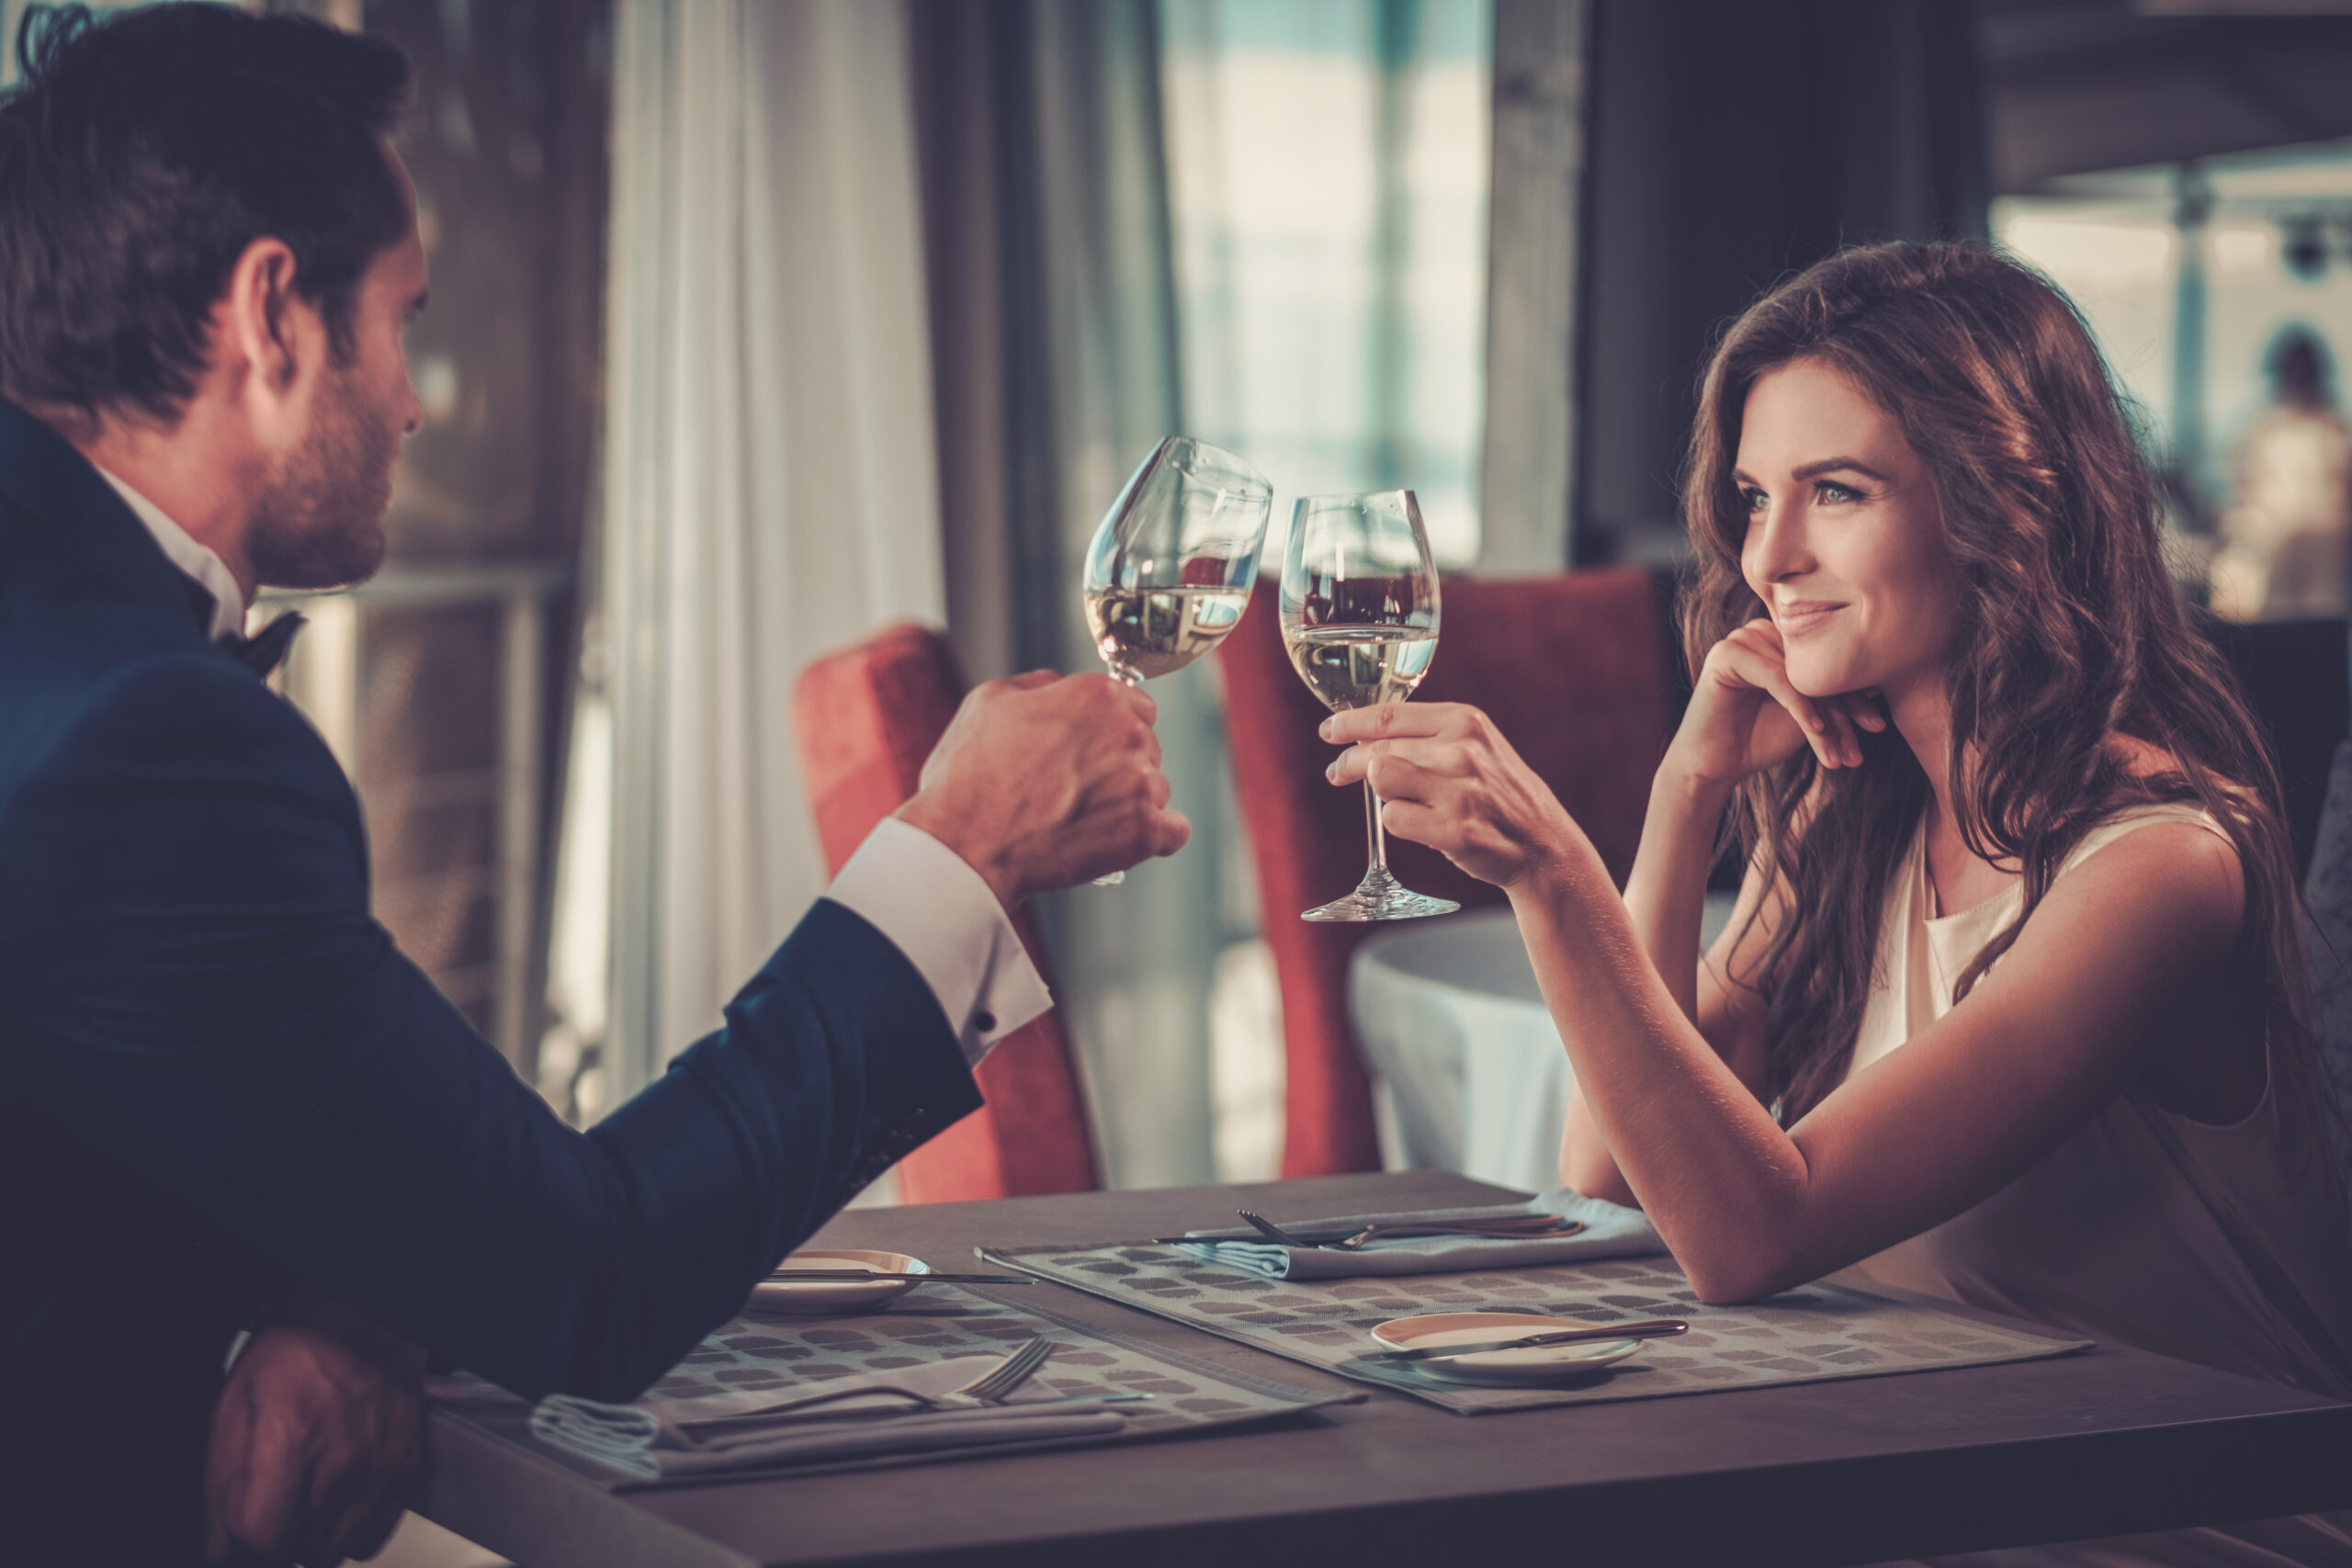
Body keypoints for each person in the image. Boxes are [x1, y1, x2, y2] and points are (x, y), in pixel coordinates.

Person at [0, 6, 1187, 1564]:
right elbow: (587, 1270)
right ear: (273, 317)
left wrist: (343, 1288)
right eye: (404, 319)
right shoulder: (144, 741)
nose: (417, 398)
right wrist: (956, 846)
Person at [1325, 242, 2352, 1566]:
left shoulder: (2161, 865)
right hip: (1936, 1480)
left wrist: (1552, 874)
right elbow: (1613, 1174)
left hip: (2173, 1521)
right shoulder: (1851, 819)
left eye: (1837, 491)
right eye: (1755, 497)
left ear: (2006, 501)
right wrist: (1683, 794)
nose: (1771, 556)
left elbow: (1753, 1232)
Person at [2211, 327, 2352, 623]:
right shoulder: (2262, 428)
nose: (2297, 378)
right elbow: (2242, 483)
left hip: (2326, 553)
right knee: (2279, 620)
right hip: (2272, 549)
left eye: (2303, 370)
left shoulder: (2335, 429)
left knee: (2321, 618)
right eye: (2292, 370)